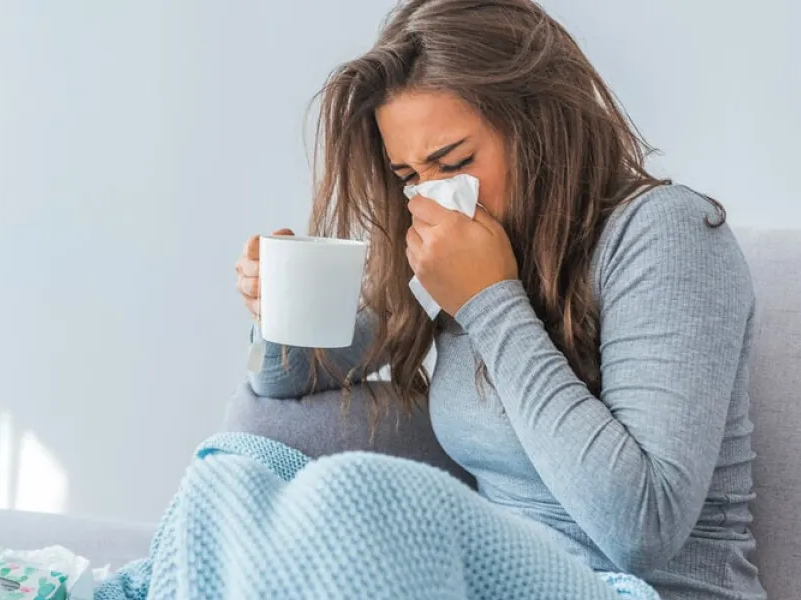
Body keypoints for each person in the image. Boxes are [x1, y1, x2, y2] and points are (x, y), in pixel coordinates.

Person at [234, 1, 765, 598]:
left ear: (540, 124)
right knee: (236, 470)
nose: (434, 195)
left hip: (637, 588)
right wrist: (275, 306)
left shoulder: (667, 233)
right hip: (492, 582)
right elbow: (292, 381)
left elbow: (642, 525)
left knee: (346, 509)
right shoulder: (450, 249)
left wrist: (489, 299)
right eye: (409, 176)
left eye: (455, 162)